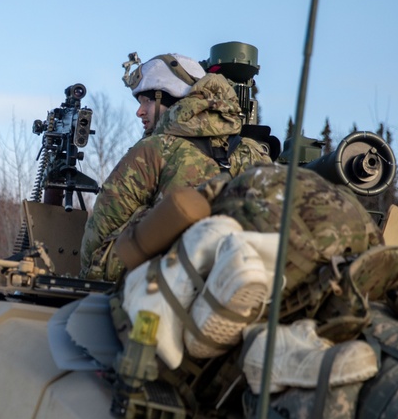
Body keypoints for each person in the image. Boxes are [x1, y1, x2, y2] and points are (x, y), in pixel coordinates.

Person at [79, 53, 273, 281]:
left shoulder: (153, 150)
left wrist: (87, 277)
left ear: (170, 99)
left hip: (153, 289)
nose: (139, 111)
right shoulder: (253, 152)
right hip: (230, 286)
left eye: (147, 101)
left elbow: (100, 232)